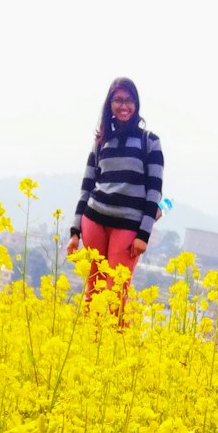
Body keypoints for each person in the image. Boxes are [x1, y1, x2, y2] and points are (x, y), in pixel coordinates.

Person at [67, 77, 164, 309]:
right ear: (109, 104)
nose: (123, 106)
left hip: (128, 227)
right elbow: (87, 185)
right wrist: (74, 231)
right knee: (93, 292)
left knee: (115, 295)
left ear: (136, 104)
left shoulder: (149, 142)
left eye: (129, 100)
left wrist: (144, 235)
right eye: (118, 100)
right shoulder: (101, 142)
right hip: (94, 220)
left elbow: (154, 191)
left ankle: (113, 345)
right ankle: (90, 343)